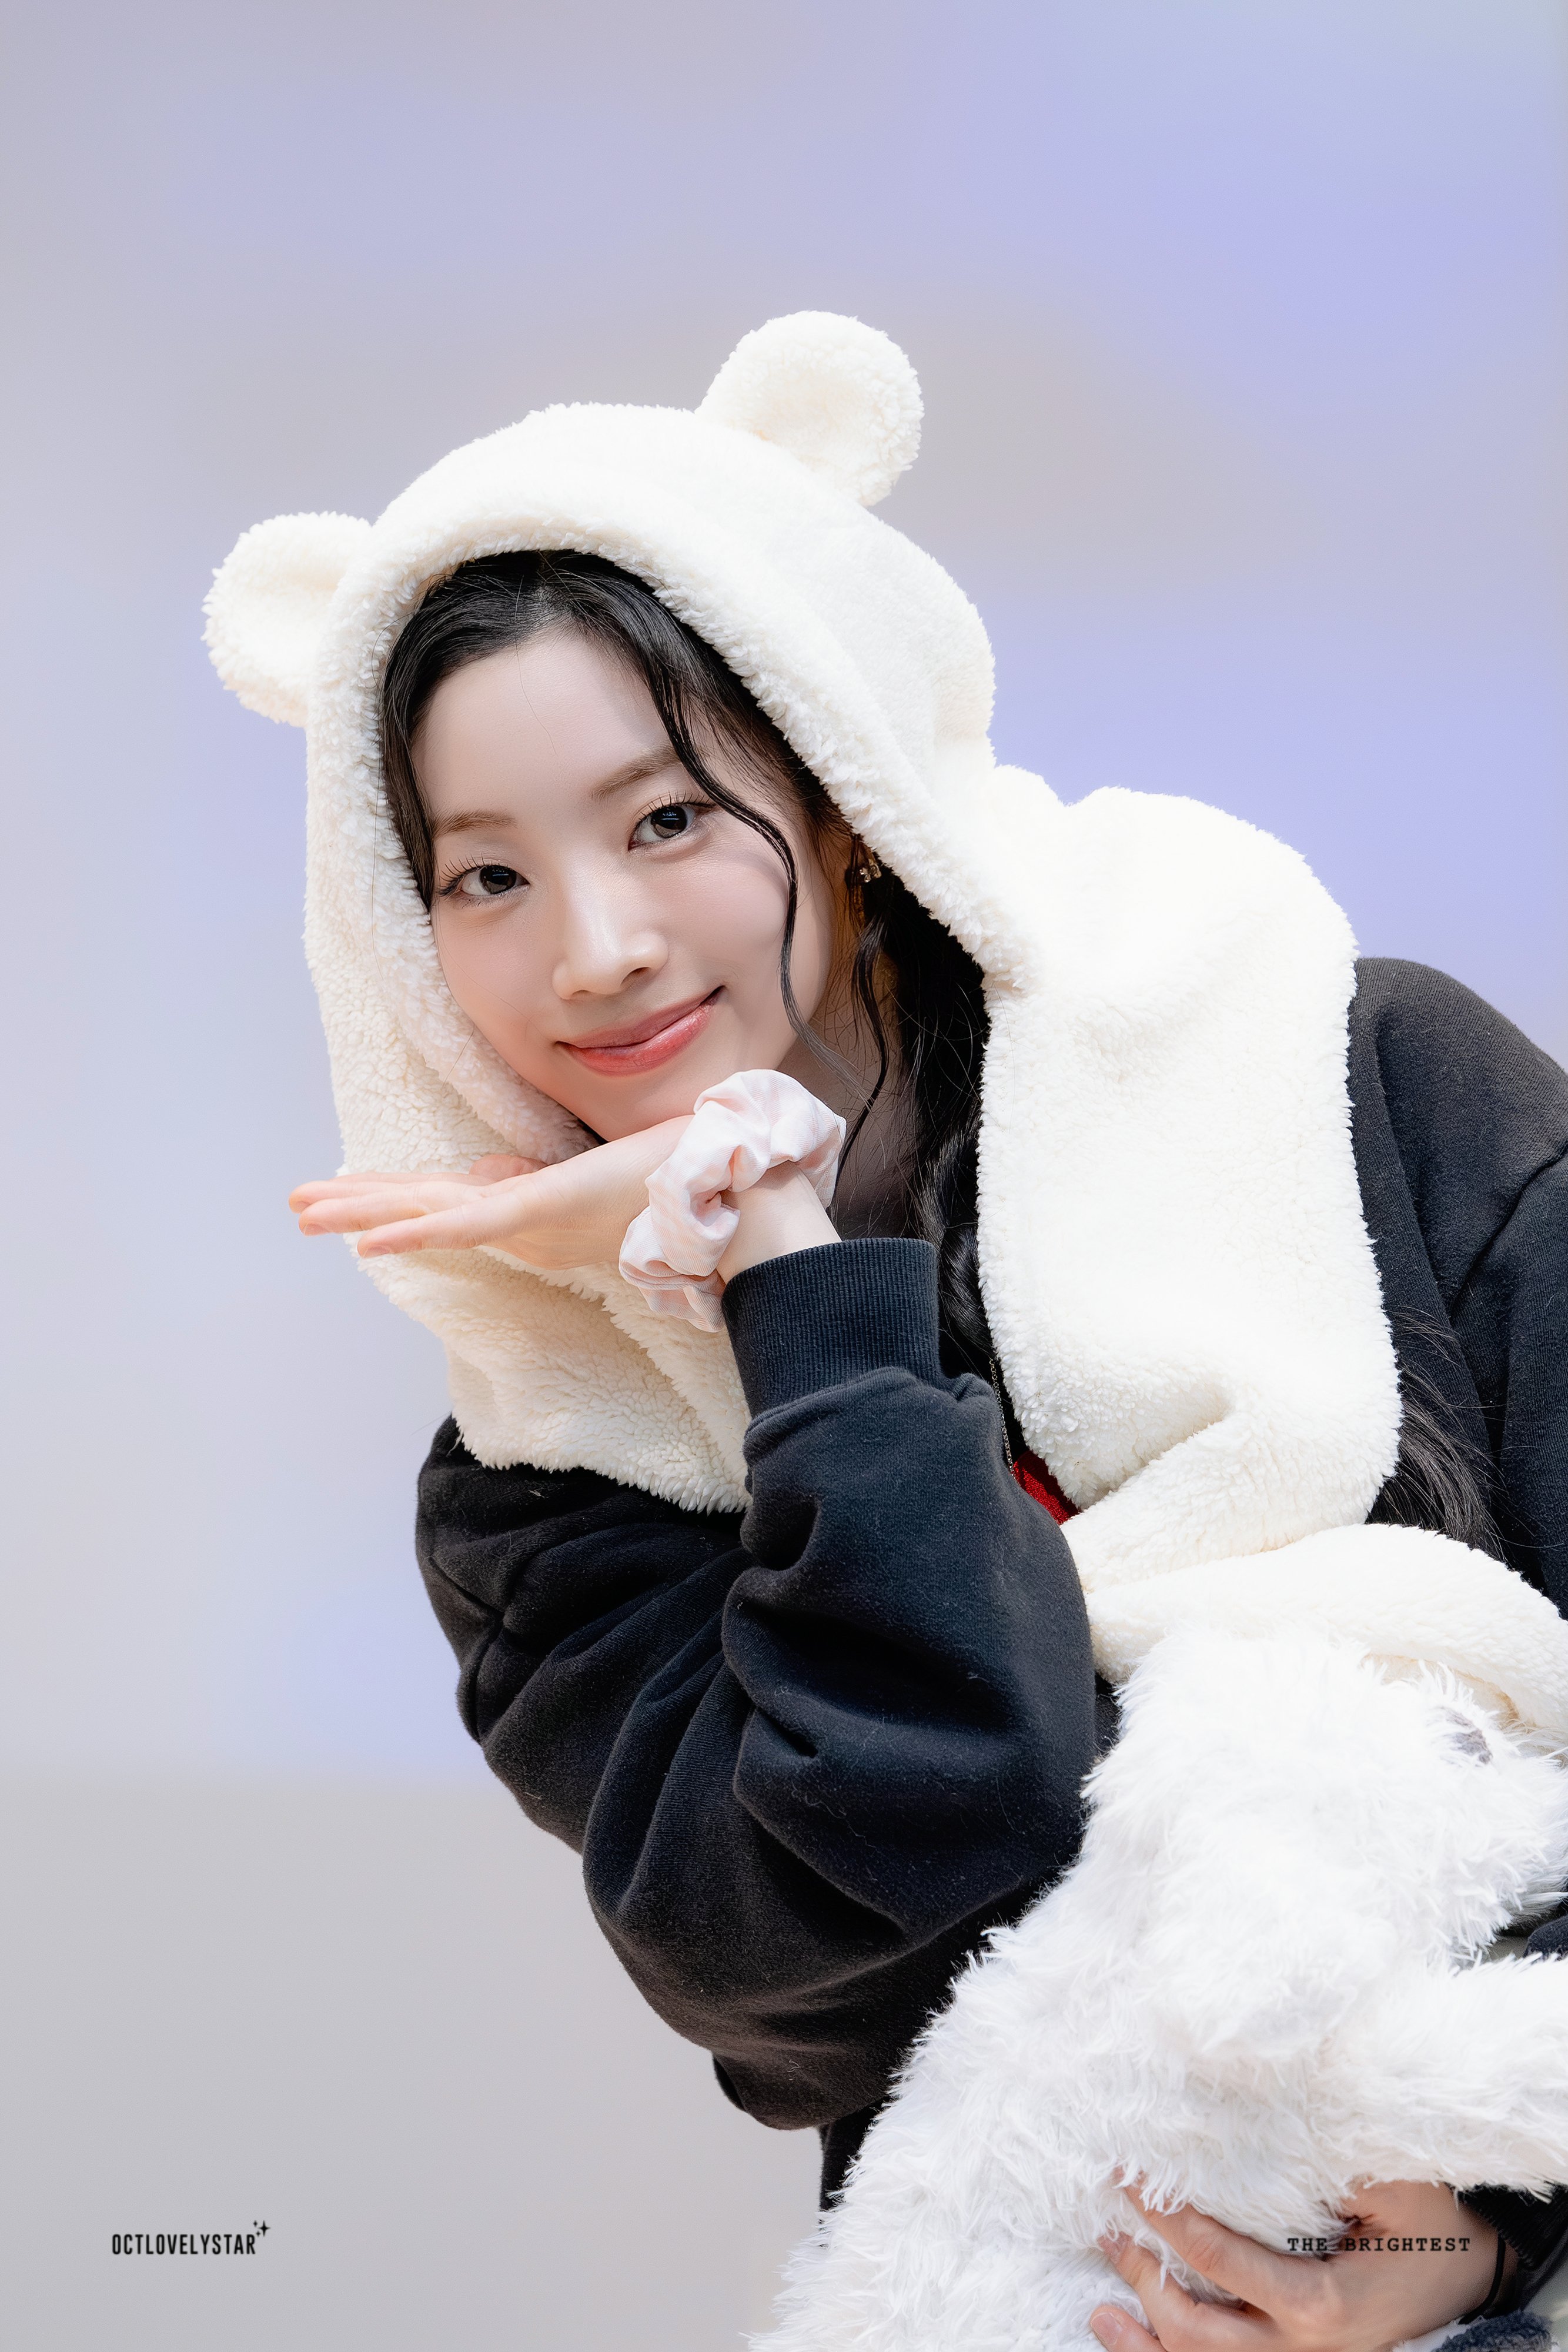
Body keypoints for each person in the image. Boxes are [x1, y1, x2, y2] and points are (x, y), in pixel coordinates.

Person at [206, 313, 1568, 2352]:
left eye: (666, 818)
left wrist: (1472, 2229)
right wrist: (786, 1277)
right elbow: (851, 1933)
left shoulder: (1346, 1080)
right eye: (483, 875)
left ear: (840, 791)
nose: (594, 950)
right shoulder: (552, 1468)